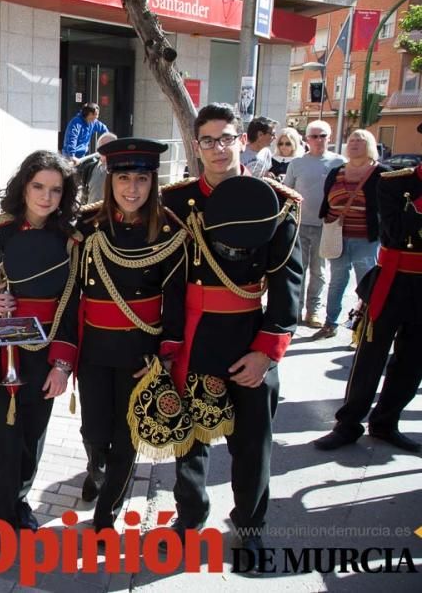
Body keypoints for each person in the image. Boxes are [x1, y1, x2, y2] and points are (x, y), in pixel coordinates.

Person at [159, 103, 301, 574]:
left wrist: (266, 352)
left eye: (227, 138)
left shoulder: (279, 203)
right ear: (195, 147)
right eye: (208, 140)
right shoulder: (178, 203)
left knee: (253, 442)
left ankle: (249, 527)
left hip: (248, 338)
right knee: (190, 439)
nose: (218, 148)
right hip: (194, 335)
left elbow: (287, 285)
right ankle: (190, 516)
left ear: (242, 141)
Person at [75, 139, 187, 531]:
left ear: (153, 181)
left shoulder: (171, 231)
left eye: (142, 178)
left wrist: (164, 356)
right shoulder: (89, 227)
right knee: (94, 429)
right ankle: (96, 468)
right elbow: (73, 293)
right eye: (123, 177)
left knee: (127, 436)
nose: (132, 188)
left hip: (140, 353)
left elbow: (176, 301)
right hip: (93, 349)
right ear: (110, 179)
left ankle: (107, 514)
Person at [0, 150, 80, 548]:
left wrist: (63, 364)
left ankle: (19, 499)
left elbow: (74, 307)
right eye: (38, 186)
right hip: (1, 351)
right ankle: (1, 510)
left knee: (34, 433)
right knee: (5, 434)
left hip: (45, 351)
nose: (46, 197)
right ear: (24, 186)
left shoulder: (71, 241)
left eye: (56, 190)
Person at [313, 163, 422, 453]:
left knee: (412, 361)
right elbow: (395, 231)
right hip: (393, 280)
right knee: (370, 356)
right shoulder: (394, 182)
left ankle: (386, 422)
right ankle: (347, 424)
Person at [313, 129, 388, 341]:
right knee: (336, 280)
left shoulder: (381, 172)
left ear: (370, 145)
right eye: (352, 140)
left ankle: (364, 328)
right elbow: (327, 199)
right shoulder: (336, 171)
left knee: (366, 283)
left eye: (360, 140)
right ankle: (330, 324)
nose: (354, 143)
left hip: (365, 238)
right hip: (337, 236)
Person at [283, 120, 345, 328]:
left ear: (330, 137)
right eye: (314, 136)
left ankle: (313, 311)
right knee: (299, 269)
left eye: (323, 136)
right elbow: (286, 192)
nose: (318, 140)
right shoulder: (297, 163)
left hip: (326, 227)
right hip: (299, 225)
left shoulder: (339, 163)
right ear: (307, 139)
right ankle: (296, 310)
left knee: (319, 272)